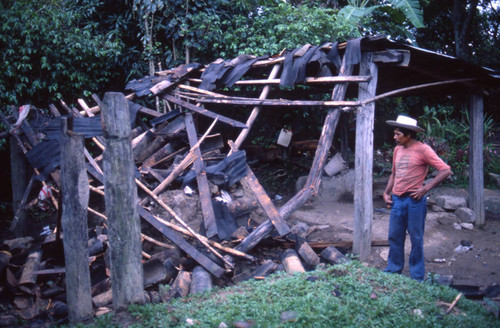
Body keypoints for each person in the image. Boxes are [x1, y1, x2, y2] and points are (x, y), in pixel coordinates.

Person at [383, 115, 452, 281]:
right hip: (397, 200)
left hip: (414, 201)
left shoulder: (423, 149)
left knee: (416, 238)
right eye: (394, 133)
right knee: (394, 236)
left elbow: (446, 170)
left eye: (398, 134)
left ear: (408, 134)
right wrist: (386, 193)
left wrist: (425, 189)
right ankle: (393, 270)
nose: (394, 137)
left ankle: (416, 277)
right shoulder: (397, 150)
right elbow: (394, 173)